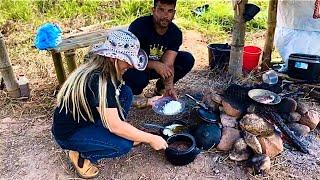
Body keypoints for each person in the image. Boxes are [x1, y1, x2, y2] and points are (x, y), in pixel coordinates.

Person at [52, 30, 168, 179]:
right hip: (70, 133)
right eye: (128, 60)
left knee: (125, 92)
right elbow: (115, 126)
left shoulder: (107, 70)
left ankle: (110, 135)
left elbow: (115, 98)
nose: (131, 65)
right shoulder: (100, 81)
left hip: (88, 118)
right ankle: (80, 154)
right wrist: (151, 138)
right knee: (122, 145)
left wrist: (146, 101)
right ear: (114, 57)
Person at [123, 0, 195, 100]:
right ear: (153, 10)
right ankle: (134, 94)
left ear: (174, 13)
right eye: (161, 10)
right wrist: (154, 64)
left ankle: (161, 88)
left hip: (159, 68)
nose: (165, 15)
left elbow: (168, 64)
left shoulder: (176, 33)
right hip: (137, 68)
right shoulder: (139, 26)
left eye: (169, 11)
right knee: (139, 78)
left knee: (187, 59)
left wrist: (169, 87)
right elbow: (128, 57)